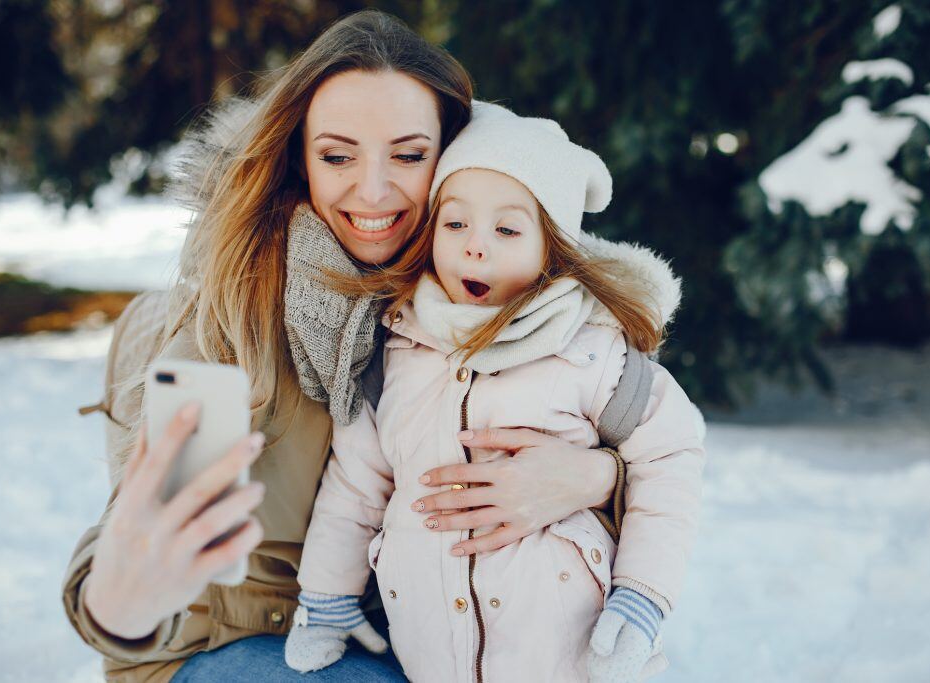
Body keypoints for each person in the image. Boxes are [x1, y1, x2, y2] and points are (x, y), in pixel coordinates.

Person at [61, 11, 665, 683]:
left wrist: (595, 477)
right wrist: (119, 601)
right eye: (338, 155)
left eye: (407, 155)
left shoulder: (510, 307)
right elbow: (151, 537)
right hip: (227, 646)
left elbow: (660, 461)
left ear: (454, 160)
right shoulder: (235, 324)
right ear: (300, 161)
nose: (372, 190)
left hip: (417, 639)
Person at [282, 102, 706, 683]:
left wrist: (642, 597)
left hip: (567, 657)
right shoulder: (397, 349)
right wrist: (327, 598)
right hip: (429, 658)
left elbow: (669, 460)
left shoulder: (593, 352)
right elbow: (355, 484)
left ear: (552, 248)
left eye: (507, 229)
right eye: (455, 224)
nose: (475, 246)